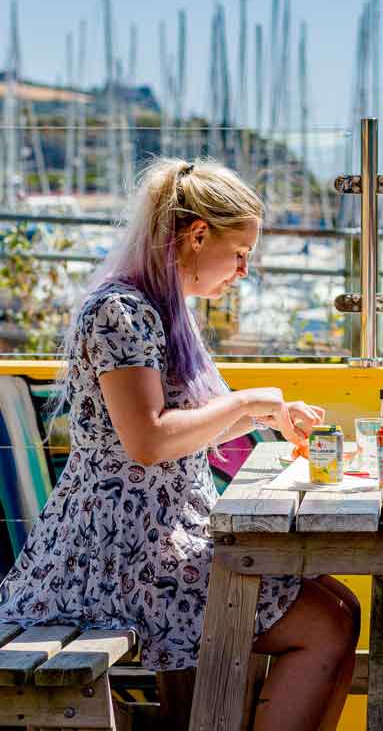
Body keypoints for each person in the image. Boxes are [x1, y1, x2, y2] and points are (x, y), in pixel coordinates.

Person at [0, 158, 360, 731]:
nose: (243, 270)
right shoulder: (120, 312)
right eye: (240, 253)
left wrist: (271, 415)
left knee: (339, 604)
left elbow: (182, 431)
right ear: (197, 235)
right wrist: (247, 403)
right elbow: (147, 440)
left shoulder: (162, 309)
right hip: (115, 558)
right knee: (327, 622)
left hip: (155, 539)